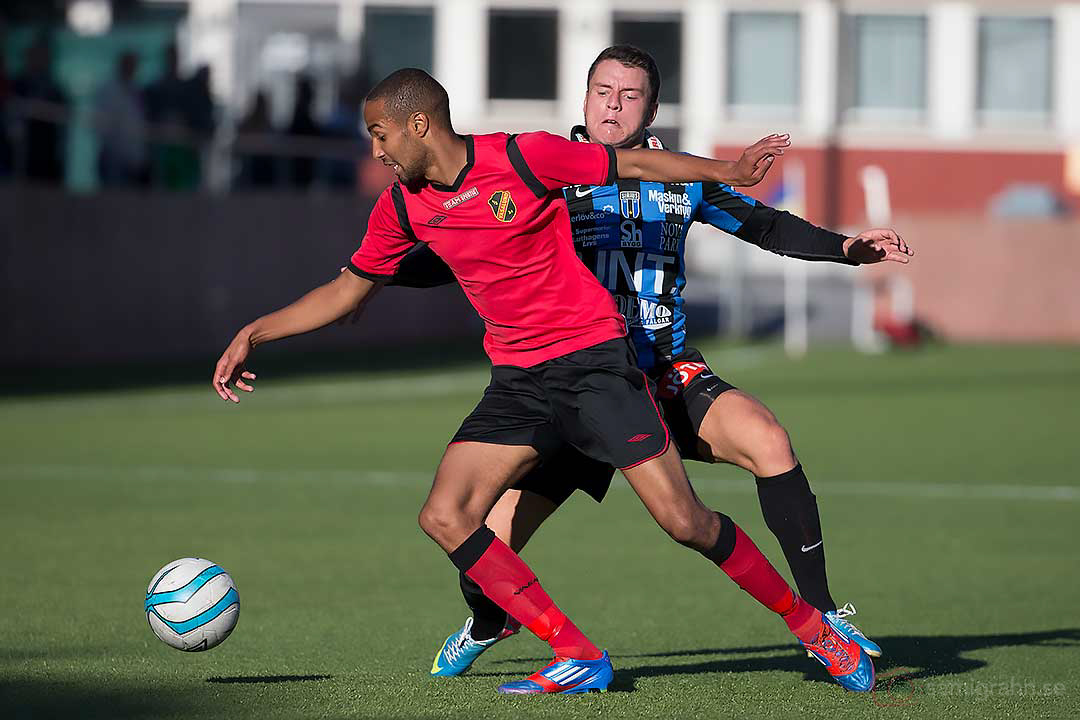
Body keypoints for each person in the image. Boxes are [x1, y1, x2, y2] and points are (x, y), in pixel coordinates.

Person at [212, 67, 873, 695]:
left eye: (380, 133)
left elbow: (636, 164)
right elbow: (346, 292)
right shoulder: (403, 207)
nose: (375, 149)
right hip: (518, 382)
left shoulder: (525, 156)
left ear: (419, 126)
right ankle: (577, 654)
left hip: (594, 365)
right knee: (446, 515)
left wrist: (726, 170)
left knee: (684, 521)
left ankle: (813, 628)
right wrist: (254, 333)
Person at [385, 47, 911, 684]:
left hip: (664, 372)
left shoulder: (679, 175)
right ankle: (491, 622)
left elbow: (766, 227)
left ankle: (823, 619)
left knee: (768, 440)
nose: (613, 103)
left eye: (629, 94)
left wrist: (847, 248)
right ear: (583, 99)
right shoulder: (542, 170)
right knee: (481, 552)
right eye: (602, 90)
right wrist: (371, 277)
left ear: (652, 108)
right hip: (571, 378)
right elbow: (461, 249)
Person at [95, 51, 148, 187]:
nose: (132, 68)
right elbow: (102, 124)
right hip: (112, 156)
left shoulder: (137, 91)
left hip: (133, 159)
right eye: (129, 64)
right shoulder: (108, 90)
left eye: (134, 65)